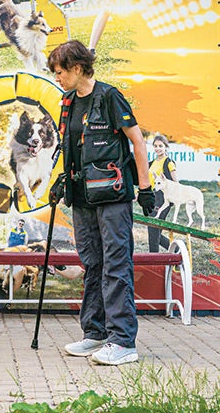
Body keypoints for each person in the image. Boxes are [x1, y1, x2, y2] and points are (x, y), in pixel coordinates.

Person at [47, 40, 154, 366]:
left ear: (78, 68)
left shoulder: (109, 97)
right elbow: (75, 149)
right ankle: (95, 333)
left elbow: (136, 140)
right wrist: (62, 180)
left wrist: (145, 187)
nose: (57, 78)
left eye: (60, 71)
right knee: (92, 263)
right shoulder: (68, 102)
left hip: (112, 197)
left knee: (116, 264)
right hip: (82, 197)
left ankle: (123, 342)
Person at [146, 134, 177, 253]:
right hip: (153, 197)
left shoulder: (169, 163)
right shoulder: (151, 163)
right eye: (155, 146)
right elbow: (148, 181)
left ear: (166, 147)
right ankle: (177, 250)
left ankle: (152, 261)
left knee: (153, 229)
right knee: (154, 232)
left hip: (164, 199)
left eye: (160, 146)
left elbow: (176, 183)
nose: (158, 148)